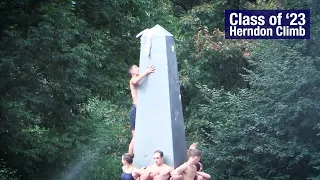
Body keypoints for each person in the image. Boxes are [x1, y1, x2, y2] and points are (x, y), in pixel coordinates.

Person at [128, 64, 156, 155]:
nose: (138, 68)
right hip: (135, 110)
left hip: (140, 110)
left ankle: (135, 154)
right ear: (132, 72)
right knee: (135, 137)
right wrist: (146, 72)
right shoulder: (132, 80)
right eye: (136, 67)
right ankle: (129, 156)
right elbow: (136, 81)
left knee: (139, 136)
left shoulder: (139, 79)